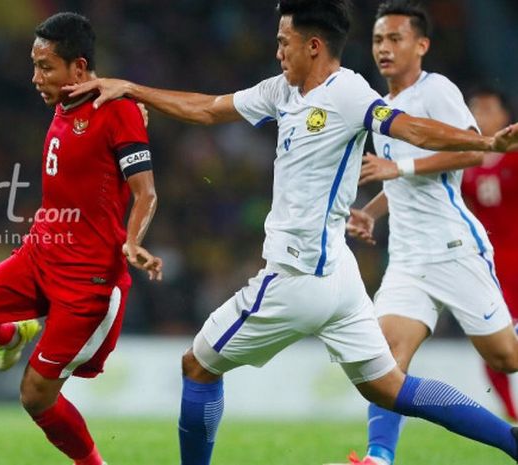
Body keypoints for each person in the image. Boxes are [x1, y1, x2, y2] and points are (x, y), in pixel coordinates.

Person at [66, 0, 518, 464]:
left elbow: (415, 130)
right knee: (390, 388)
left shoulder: (349, 93)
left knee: (197, 366)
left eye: (285, 42)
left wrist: (483, 142)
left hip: (296, 276)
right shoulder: (282, 91)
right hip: (339, 277)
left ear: (314, 46)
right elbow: (206, 109)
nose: (278, 51)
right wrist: (132, 90)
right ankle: (511, 442)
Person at [0, 12, 162, 465]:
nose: (36, 77)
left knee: (35, 395)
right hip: (38, 256)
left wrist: (133, 241)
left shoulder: (119, 111)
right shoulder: (68, 99)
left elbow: (146, 192)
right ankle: (14, 332)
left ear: (78, 67)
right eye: (34, 65)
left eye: (46, 67)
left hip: (87, 282)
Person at [342, 2, 518, 464]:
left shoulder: (435, 90)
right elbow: (408, 184)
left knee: (507, 358)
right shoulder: (382, 108)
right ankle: (380, 457)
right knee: (381, 363)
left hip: (453, 247)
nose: (384, 47)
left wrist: (394, 167)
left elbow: (471, 151)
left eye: (395, 38)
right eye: (379, 39)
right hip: (407, 258)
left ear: (421, 45)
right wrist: (375, 210)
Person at [463, 86, 518, 422]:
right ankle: (512, 417)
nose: (480, 116)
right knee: (493, 345)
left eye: (487, 109)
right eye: (475, 109)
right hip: (490, 268)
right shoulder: (462, 158)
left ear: (504, 116)